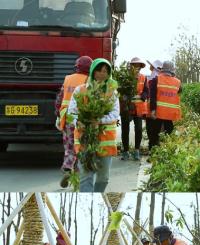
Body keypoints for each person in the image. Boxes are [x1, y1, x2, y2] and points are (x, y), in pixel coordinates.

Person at [67, 58, 120, 192]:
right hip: (85, 140)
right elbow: (71, 112)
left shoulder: (112, 93)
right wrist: (78, 121)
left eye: (106, 71)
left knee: (103, 178)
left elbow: (115, 114)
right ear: (93, 72)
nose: (102, 74)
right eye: (99, 70)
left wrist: (99, 121)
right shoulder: (80, 90)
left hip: (105, 143)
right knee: (86, 177)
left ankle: (98, 195)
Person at [55, 56, 92, 188]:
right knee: (81, 145)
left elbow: (59, 99)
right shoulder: (89, 80)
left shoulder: (68, 78)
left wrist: (58, 116)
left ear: (77, 67)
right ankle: (75, 171)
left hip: (68, 118)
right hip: (82, 119)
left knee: (69, 145)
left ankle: (68, 168)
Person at [148, 61, 182, 151]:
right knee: (168, 134)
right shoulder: (178, 82)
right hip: (170, 114)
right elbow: (179, 92)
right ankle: (166, 152)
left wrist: (152, 110)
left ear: (162, 69)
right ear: (172, 70)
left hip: (158, 112)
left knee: (154, 134)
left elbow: (152, 97)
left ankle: (153, 152)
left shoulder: (156, 80)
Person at [120, 57, 149, 161]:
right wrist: (124, 97)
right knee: (125, 130)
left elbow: (146, 91)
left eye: (138, 66)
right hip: (126, 108)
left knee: (138, 129)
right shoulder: (124, 77)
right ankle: (125, 151)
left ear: (141, 67)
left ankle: (137, 151)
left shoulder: (143, 78)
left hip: (139, 109)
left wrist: (142, 97)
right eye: (134, 65)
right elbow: (120, 91)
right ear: (131, 66)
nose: (136, 68)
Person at [145, 60, 162, 156]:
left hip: (153, 108)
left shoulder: (154, 78)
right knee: (153, 130)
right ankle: (153, 148)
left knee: (152, 130)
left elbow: (152, 96)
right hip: (151, 108)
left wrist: (152, 110)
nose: (150, 67)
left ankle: (153, 149)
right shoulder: (154, 76)